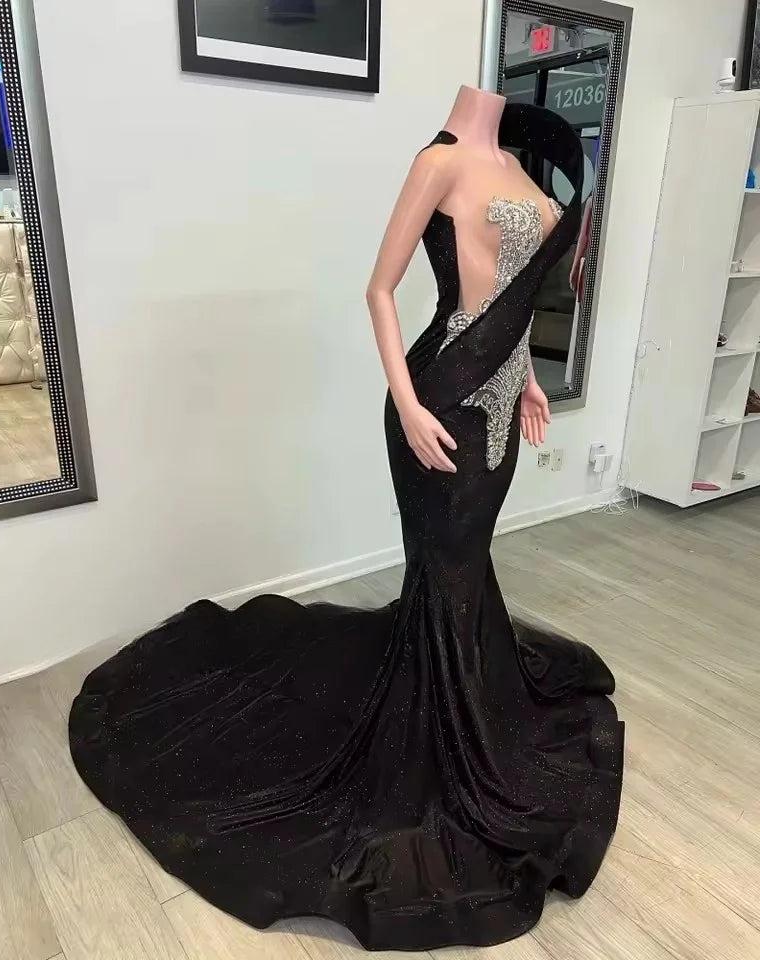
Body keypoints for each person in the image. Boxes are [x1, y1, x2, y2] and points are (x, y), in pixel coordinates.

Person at [69, 86, 624, 952]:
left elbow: (513, 298)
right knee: (447, 568)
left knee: (464, 566)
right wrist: (406, 401)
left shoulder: (520, 165)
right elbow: (380, 289)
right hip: (439, 400)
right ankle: (445, 747)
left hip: (501, 402)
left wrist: (525, 380)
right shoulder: (439, 161)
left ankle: (469, 707)